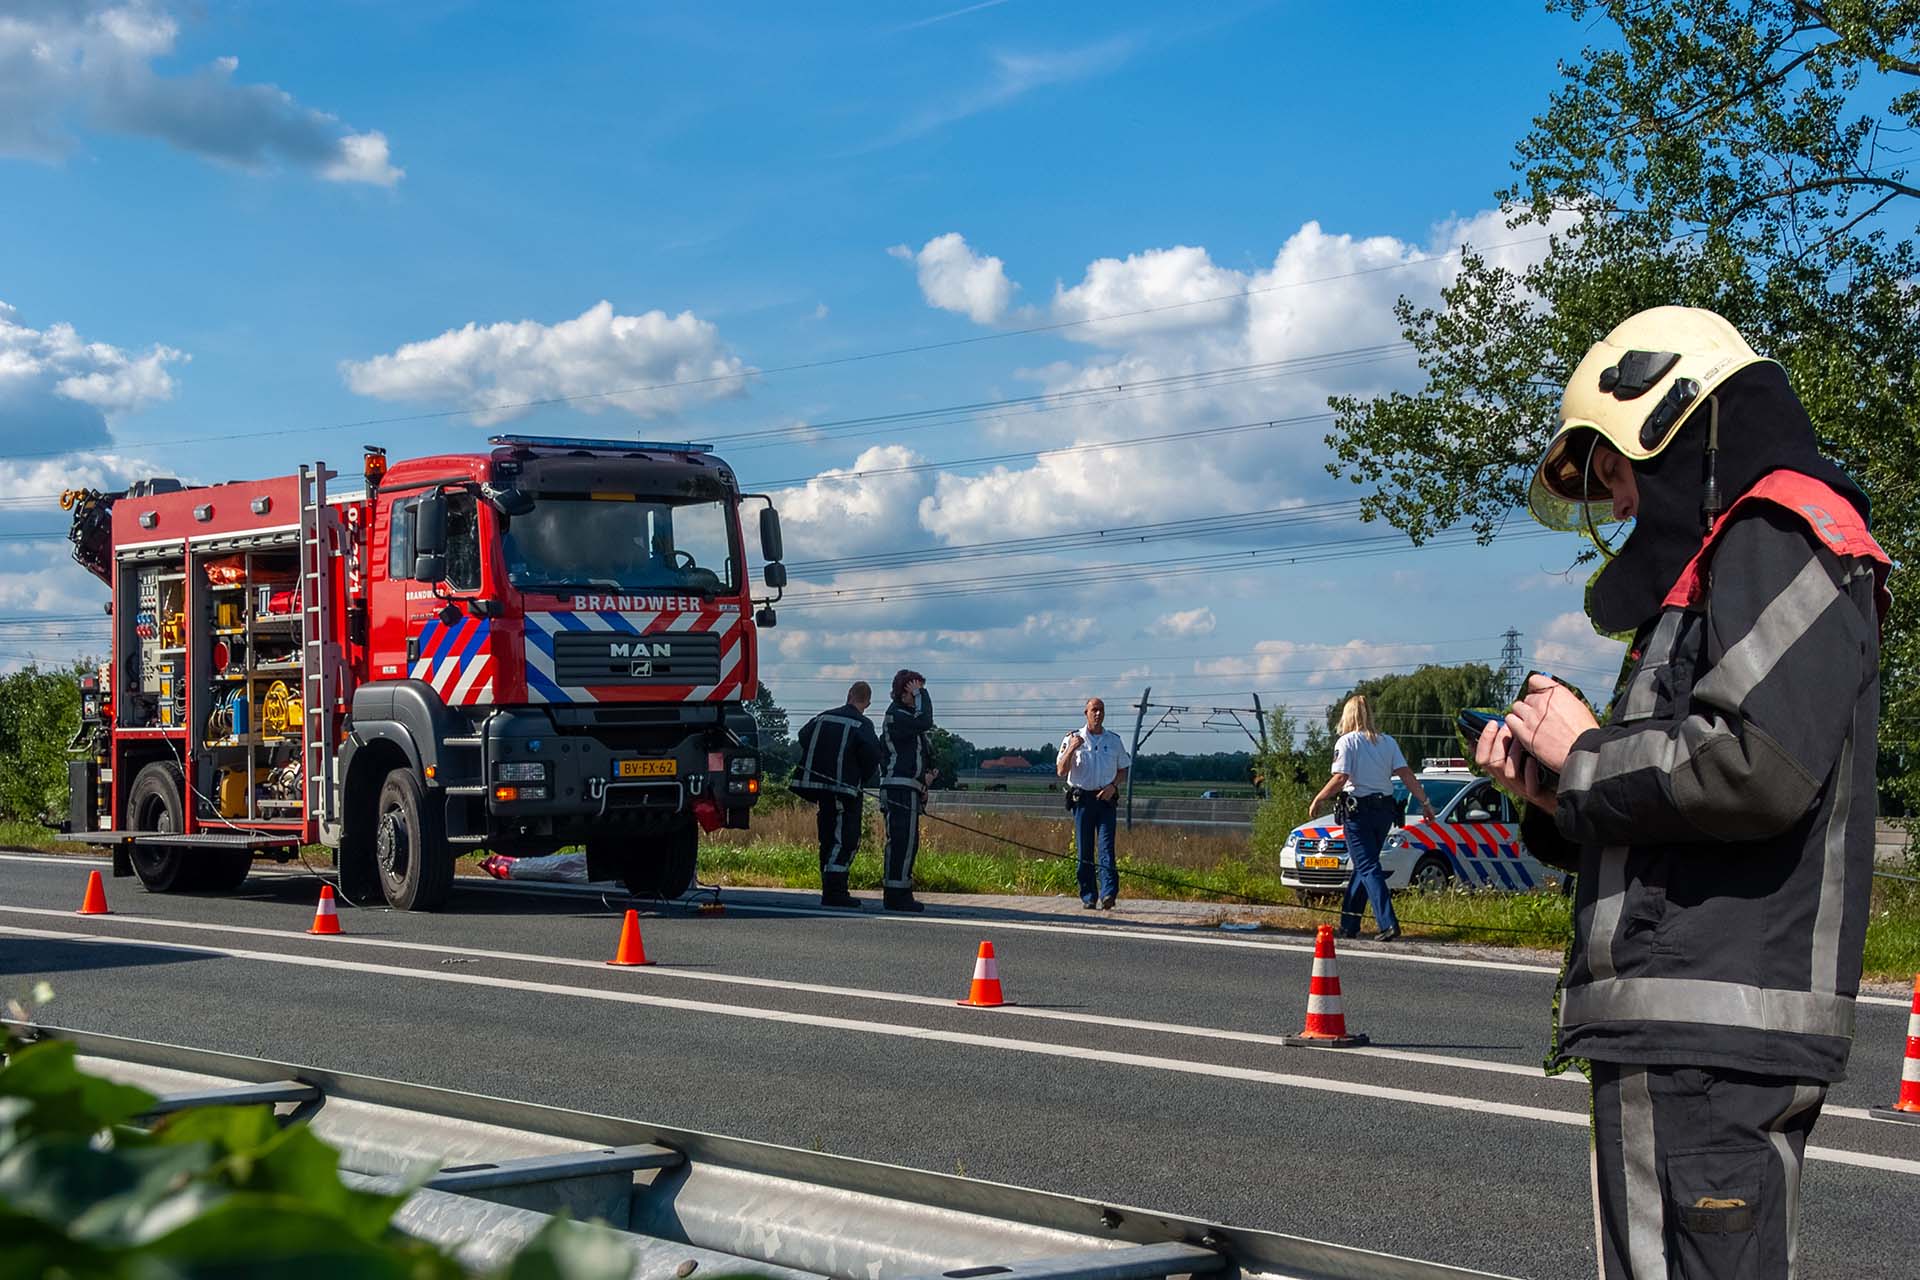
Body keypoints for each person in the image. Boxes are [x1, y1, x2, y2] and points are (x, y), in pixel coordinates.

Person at [1472, 306, 1889, 1280]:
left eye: (1614, 473)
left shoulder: (1777, 528)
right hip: (1694, 1024)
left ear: (1671, 424)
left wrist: (1584, 756)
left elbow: (1756, 764)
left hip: (1711, 1027)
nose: (1615, 507)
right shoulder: (1733, 558)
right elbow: (1688, 797)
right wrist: (1556, 794)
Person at [1310, 695, 1436, 942]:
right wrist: (1425, 802)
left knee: (1368, 866)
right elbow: (1406, 774)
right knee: (1363, 865)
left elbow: (1340, 777)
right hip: (1384, 812)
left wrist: (1318, 798)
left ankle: (1388, 923)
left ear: (1348, 716)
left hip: (1358, 812)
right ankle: (1349, 924)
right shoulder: (1388, 742)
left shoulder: (1346, 742)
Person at [791, 681, 884, 910]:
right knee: (845, 838)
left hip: (818, 786)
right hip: (844, 789)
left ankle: (829, 888)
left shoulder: (822, 718)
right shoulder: (863, 724)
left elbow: (804, 736)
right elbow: (872, 756)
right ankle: (836, 891)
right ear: (868, 703)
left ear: (849, 695)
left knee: (827, 837)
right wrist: (858, 775)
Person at [1056, 697, 1132, 909]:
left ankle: (1108, 894)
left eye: (1101, 710)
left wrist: (1113, 787)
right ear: (1086, 713)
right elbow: (1061, 770)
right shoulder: (1073, 738)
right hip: (1083, 801)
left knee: (1107, 847)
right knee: (1084, 851)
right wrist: (1071, 748)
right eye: (1094, 710)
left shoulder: (1113, 740)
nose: (1098, 714)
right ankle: (1088, 895)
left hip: (1106, 799)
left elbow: (1123, 769)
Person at [878, 669, 936, 912]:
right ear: (905, 691)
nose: (918, 695)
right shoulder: (897, 715)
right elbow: (925, 720)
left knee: (909, 842)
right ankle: (896, 894)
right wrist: (922, 693)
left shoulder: (909, 721)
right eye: (915, 690)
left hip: (909, 787)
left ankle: (901, 890)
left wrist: (927, 778)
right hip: (897, 787)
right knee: (901, 841)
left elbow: (925, 753)